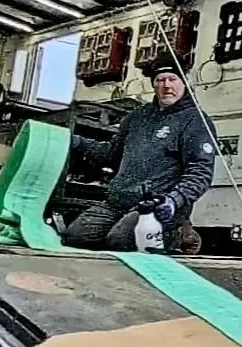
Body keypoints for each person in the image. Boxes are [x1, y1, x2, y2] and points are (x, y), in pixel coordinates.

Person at [62, 54, 217, 252]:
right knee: (74, 237)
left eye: (173, 79)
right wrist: (78, 142)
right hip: (118, 201)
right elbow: (109, 155)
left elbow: (200, 172)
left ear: (184, 82)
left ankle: (180, 235)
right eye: (160, 80)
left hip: (158, 206)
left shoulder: (195, 121)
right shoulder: (137, 118)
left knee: (119, 241)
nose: (167, 85)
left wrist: (174, 200)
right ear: (154, 85)